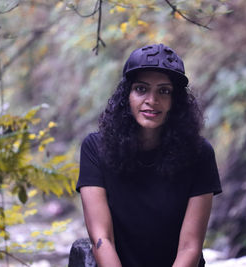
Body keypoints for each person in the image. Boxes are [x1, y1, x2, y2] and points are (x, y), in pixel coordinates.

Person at [76, 43, 222, 267]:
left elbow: (190, 247)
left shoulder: (199, 154)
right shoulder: (95, 148)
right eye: (141, 89)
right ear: (127, 96)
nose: (152, 100)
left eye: (164, 91)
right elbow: (102, 239)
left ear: (175, 101)